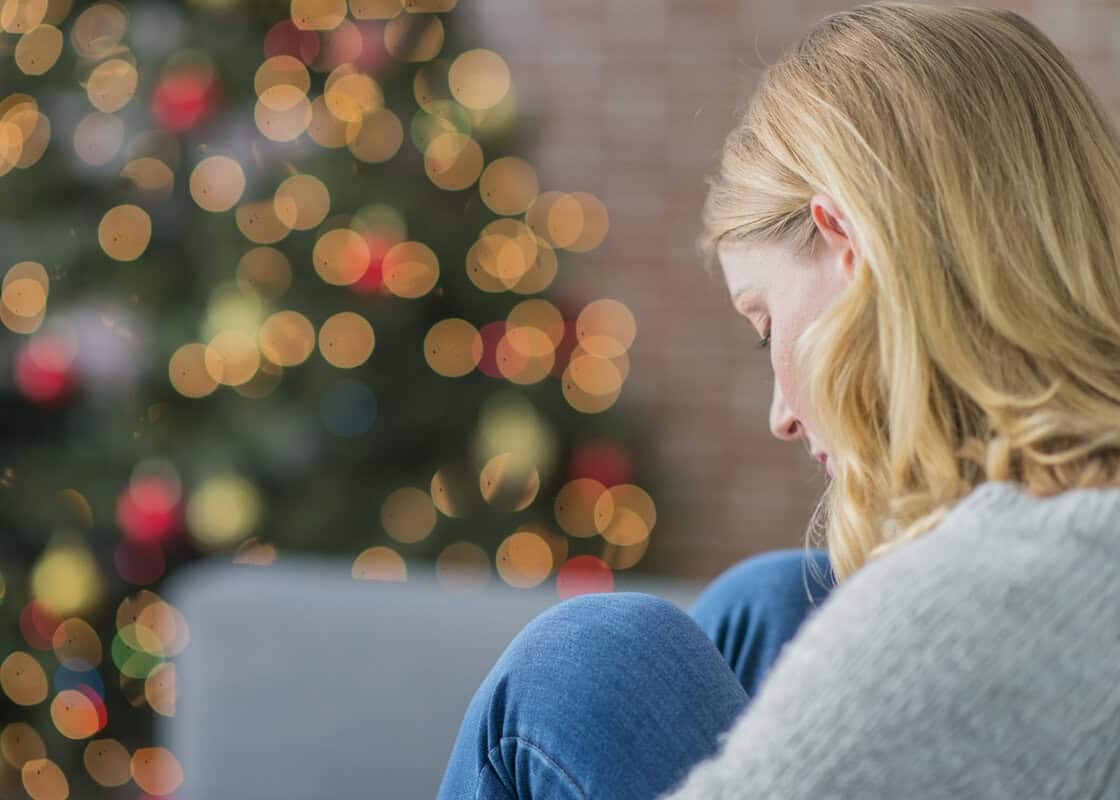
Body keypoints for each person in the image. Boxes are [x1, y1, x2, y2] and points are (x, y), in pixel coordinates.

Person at [438, 2, 1120, 797]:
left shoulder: (981, 597)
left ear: (848, 248)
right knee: (774, 602)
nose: (782, 417)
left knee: (586, 659)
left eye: (766, 329)